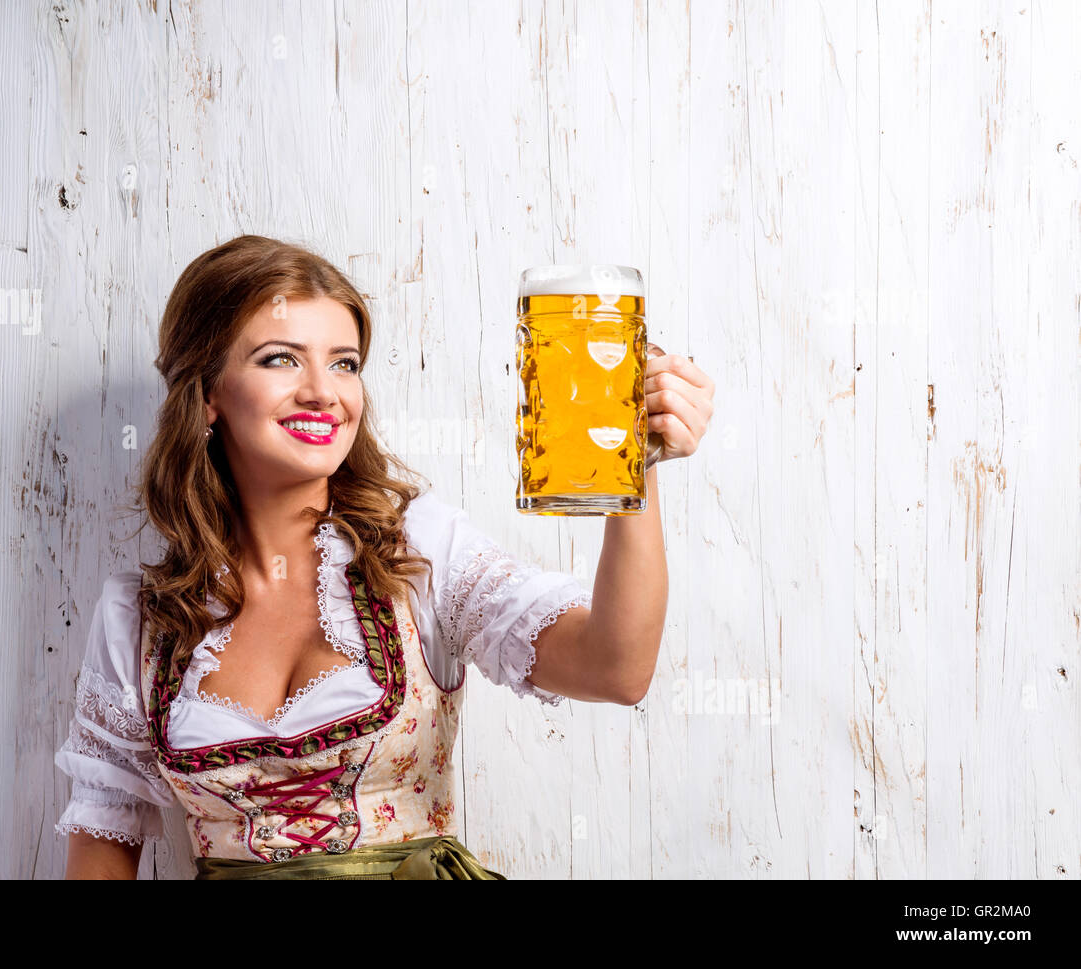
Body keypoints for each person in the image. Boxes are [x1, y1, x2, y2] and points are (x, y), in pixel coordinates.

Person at [52, 235, 715, 879]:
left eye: (344, 363)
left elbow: (615, 668)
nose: (323, 391)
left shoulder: (420, 553)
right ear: (207, 395)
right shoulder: (140, 621)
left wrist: (639, 463)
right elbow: (101, 860)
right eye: (281, 359)